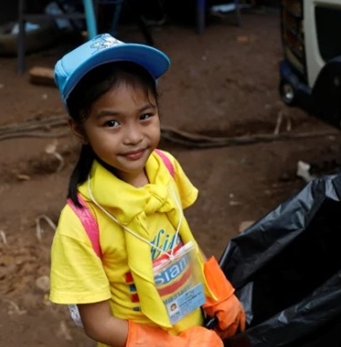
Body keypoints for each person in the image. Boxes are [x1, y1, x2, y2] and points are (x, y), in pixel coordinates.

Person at [49, 33, 245, 347]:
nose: (134, 137)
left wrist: (217, 292)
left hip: (196, 330)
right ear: (79, 129)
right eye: (112, 123)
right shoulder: (81, 224)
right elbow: (98, 324)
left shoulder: (164, 167)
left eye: (145, 116)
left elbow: (180, 238)